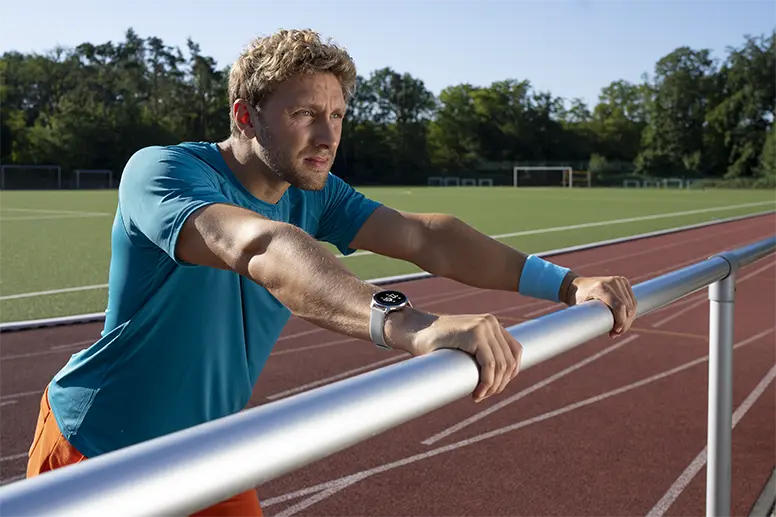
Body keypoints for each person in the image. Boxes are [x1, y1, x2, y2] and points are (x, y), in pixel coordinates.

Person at [26, 29, 637, 516]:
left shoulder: (314, 190)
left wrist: (566, 283)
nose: (327, 136)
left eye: (339, 115)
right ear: (245, 114)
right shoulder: (162, 172)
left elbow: (427, 236)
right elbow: (263, 247)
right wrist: (411, 326)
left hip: (205, 452)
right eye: (305, 114)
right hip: (98, 445)